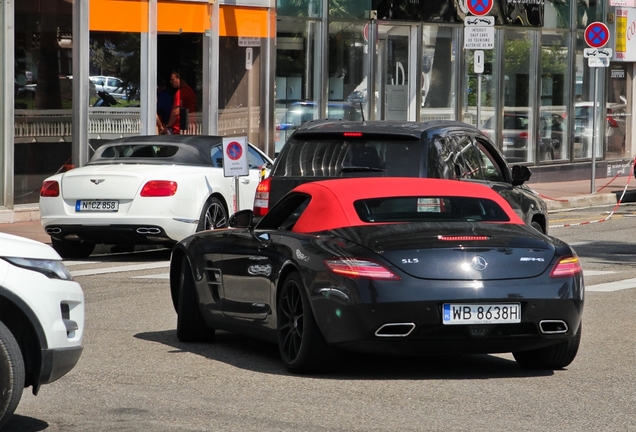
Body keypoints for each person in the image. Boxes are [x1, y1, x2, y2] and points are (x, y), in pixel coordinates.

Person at [164, 70, 196, 134]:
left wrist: (168, 126)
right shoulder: (190, 91)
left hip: (179, 130)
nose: (171, 82)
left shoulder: (180, 93)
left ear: (179, 79)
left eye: (173, 79)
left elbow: (176, 112)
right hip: (190, 127)